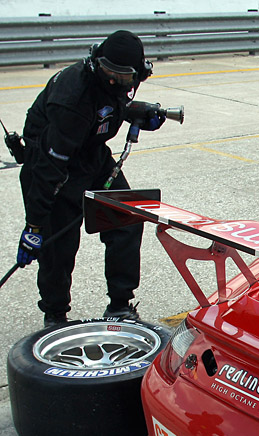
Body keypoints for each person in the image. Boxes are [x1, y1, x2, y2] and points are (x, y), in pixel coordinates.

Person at [17, 30, 164, 327]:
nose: (113, 81)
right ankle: (55, 314)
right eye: (108, 72)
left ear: (139, 74)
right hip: (53, 164)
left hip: (93, 156)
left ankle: (120, 305)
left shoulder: (114, 84)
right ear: (96, 62)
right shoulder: (71, 99)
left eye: (121, 77)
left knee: (127, 218)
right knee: (59, 242)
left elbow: (106, 105)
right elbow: (48, 167)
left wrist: (136, 112)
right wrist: (34, 225)